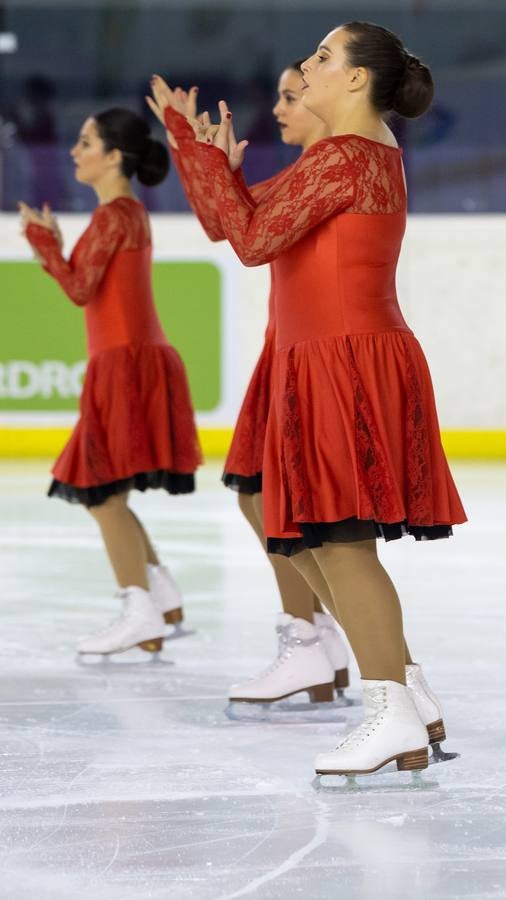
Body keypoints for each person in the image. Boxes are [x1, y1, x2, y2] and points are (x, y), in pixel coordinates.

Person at [155, 21, 467, 776]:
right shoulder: (340, 158)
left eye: (325, 57)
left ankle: (390, 705)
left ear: (357, 79)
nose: (311, 66)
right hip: (320, 358)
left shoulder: (351, 157)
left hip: (342, 362)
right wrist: (202, 159)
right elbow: (237, 225)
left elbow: (252, 239)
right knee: (312, 534)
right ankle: (408, 692)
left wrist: (197, 154)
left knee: (341, 540)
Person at [148, 64, 350, 708]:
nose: (282, 108)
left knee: (282, 501)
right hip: (287, 348)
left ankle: (318, 639)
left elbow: (247, 236)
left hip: (316, 354)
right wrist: (192, 148)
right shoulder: (303, 174)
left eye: (294, 96)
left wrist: (205, 159)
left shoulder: (332, 168)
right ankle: (315, 636)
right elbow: (224, 222)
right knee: (261, 492)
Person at [19, 108, 201, 657]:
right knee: (108, 491)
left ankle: (140, 608)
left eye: (85, 142)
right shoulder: (130, 214)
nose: (75, 152)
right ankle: (159, 592)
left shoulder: (112, 218)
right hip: (135, 360)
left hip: (124, 364)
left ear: (114, 155)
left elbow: (78, 289)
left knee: (102, 494)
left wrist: (42, 242)